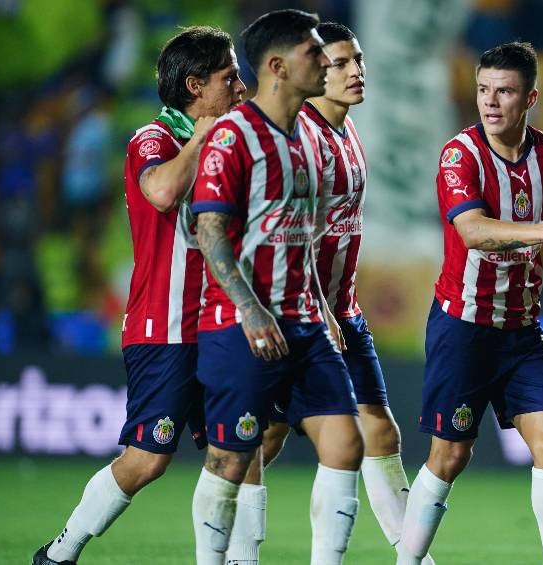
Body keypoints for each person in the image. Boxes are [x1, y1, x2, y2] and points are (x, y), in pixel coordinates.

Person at [31, 26, 245, 565]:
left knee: (241, 449)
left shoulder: (232, 143)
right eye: (229, 77)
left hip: (222, 324)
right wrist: (204, 138)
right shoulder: (153, 139)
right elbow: (163, 191)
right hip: (165, 327)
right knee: (147, 460)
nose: (240, 87)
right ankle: (61, 552)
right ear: (195, 85)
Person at [224, 21, 436, 565]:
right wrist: (318, 307)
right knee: (265, 440)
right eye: (340, 63)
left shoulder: (348, 131)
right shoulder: (303, 137)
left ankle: (412, 557)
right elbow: (290, 234)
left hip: (344, 311)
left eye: (357, 60)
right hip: (302, 314)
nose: (354, 71)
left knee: (378, 433)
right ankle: (237, 552)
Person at [395, 42, 543, 565]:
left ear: (530, 98)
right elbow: (473, 232)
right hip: (463, 327)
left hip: (521, 331)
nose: (491, 102)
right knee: (450, 455)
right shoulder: (460, 154)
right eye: (483, 90)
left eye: (505, 91)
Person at [189, 10, 365, 565]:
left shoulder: (310, 138)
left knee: (346, 444)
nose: (326, 61)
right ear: (277, 67)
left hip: (305, 321)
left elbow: (302, 235)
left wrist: (323, 308)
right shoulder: (233, 135)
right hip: (240, 326)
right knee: (231, 458)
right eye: (314, 52)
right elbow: (209, 230)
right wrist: (250, 308)